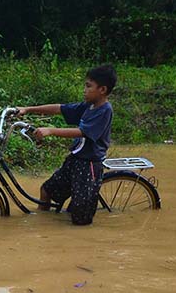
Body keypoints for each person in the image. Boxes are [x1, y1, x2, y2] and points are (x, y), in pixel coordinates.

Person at [15, 64, 117, 226]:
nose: (84, 89)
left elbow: (82, 132)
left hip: (88, 165)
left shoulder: (104, 110)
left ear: (102, 90)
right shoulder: (88, 106)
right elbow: (60, 109)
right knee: (46, 190)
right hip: (75, 160)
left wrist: (51, 130)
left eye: (88, 86)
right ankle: (43, 225)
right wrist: (27, 109)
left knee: (80, 219)